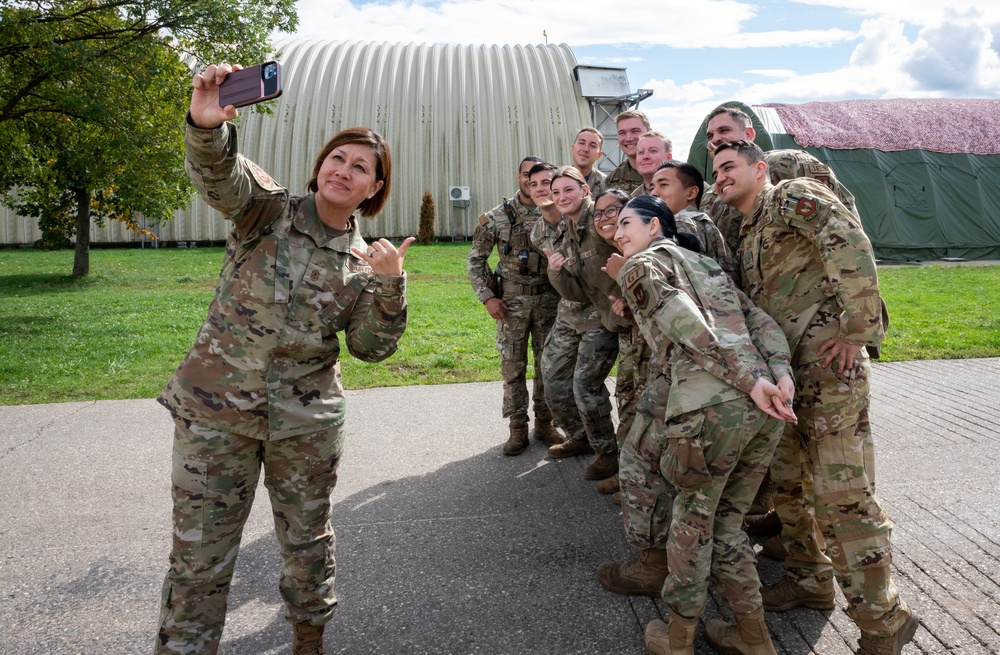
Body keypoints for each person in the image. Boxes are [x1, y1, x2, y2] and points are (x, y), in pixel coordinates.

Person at [155, 63, 415, 655]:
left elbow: (372, 350)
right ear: (320, 164)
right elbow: (219, 174)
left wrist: (391, 285)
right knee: (197, 557)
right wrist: (205, 122)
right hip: (215, 415)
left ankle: (308, 636)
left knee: (306, 542)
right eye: (337, 159)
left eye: (360, 168)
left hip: (305, 426)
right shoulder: (267, 210)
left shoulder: (364, 262)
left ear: (375, 188)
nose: (343, 172)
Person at [712, 139, 918, 655]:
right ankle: (809, 579)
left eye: (729, 167)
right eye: (714, 171)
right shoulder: (751, 227)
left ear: (760, 168)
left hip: (829, 372)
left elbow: (848, 242)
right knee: (789, 487)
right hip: (788, 380)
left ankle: (883, 621)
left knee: (841, 498)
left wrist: (858, 329)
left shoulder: (791, 197)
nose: (720, 177)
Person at [603, 195, 797, 655]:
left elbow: (684, 324)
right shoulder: (707, 267)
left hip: (711, 407)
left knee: (690, 525)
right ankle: (754, 640)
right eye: (614, 226)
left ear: (655, 228)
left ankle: (678, 640)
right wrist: (779, 373)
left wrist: (749, 380)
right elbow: (760, 321)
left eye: (626, 223)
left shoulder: (641, 266)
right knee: (728, 526)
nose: (617, 232)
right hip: (765, 407)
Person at [529, 167, 620, 480]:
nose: (561, 197)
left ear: (585, 189)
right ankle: (581, 436)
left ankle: (607, 452)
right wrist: (555, 272)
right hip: (574, 311)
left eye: (569, 190)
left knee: (585, 385)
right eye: (557, 193)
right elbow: (575, 289)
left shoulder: (602, 220)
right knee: (552, 377)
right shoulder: (561, 230)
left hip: (604, 315)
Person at [467, 156, 561, 456]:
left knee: (549, 367)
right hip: (510, 304)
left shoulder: (560, 213)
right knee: (513, 367)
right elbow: (476, 261)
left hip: (550, 300)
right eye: (527, 177)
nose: (533, 184)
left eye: (543, 181)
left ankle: (545, 424)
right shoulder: (497, 217)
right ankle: (517, 428)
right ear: (520, 178)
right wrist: (487, 297)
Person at [699, 105, 858, 258]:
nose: (716, 139)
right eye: (710, 136)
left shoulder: (790, 163)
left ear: (749, 134)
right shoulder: (712, 195)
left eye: (724, 130)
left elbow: (844, 224)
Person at [649, 160, 736, 281]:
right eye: (651, 188)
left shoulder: (682, 224)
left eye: (663, 185)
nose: (653, 193)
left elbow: (678, 282)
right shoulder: (699, 223)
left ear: (691, 193)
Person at [605, 109, 650, 191]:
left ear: (649, 132)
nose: (628, 139)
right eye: (622, 133)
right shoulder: (611, 181)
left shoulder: (673, 174)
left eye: (635, 131)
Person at [571, 126, 608, 198]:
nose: (585, 149)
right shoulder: (557, 180)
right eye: (582, 143)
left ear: (599, 155)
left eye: (593, 146)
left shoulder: (606, 184)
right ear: (573, 148)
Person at [631, 131, 673, 197]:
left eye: (653, 151)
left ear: (668, 158)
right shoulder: (633, 199)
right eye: (641, 152)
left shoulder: (682, 192)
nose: (645, 157)